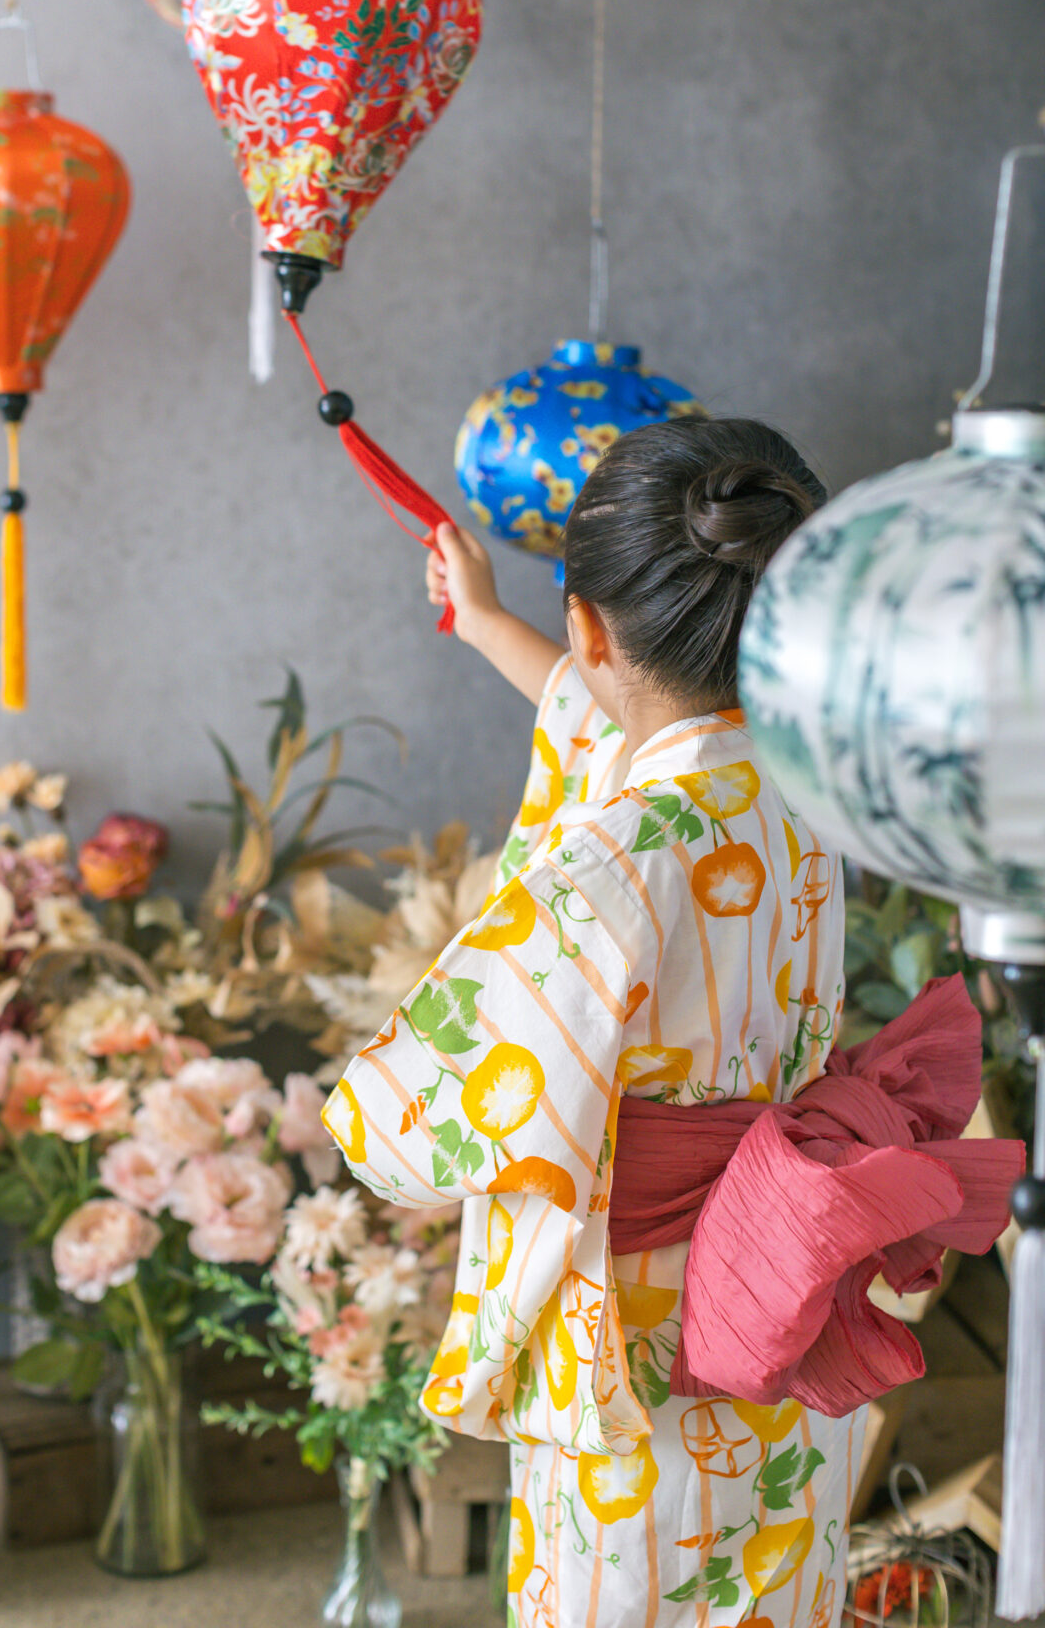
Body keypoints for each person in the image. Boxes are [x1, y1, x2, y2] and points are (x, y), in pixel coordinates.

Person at [322, 417, 1015, 1628]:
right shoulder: (801, 790)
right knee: (767, 1566)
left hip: (635, 1334)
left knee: (628, 1583)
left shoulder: (611, 859)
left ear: (591, 629)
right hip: (784, 1287)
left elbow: (397, 1134)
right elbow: (626, 723)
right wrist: (484, 620)